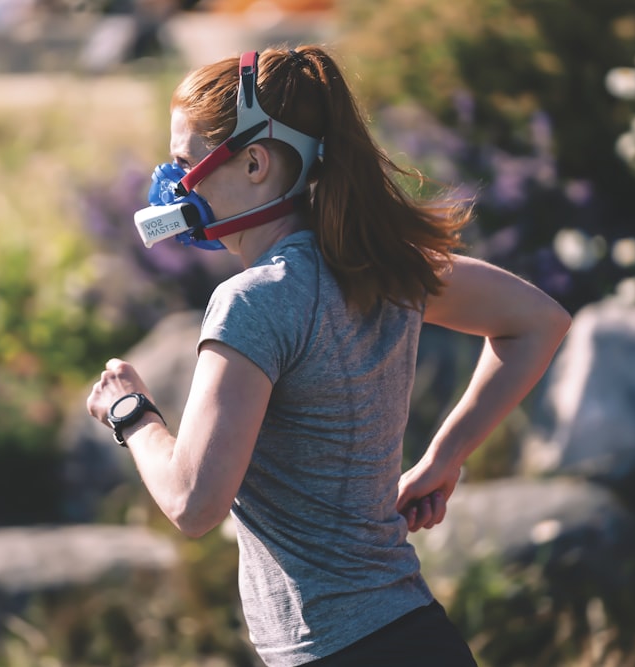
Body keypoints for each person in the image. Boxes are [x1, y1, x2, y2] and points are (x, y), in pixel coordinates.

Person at [87, 45, 571, 667]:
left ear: (255, 162)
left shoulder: (252, 303)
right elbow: (539, 321)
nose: (172, 183)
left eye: (185, 162)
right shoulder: (382, 267)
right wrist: (445, 457)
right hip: (419, 634)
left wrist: (131, 410)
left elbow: (193, 504)